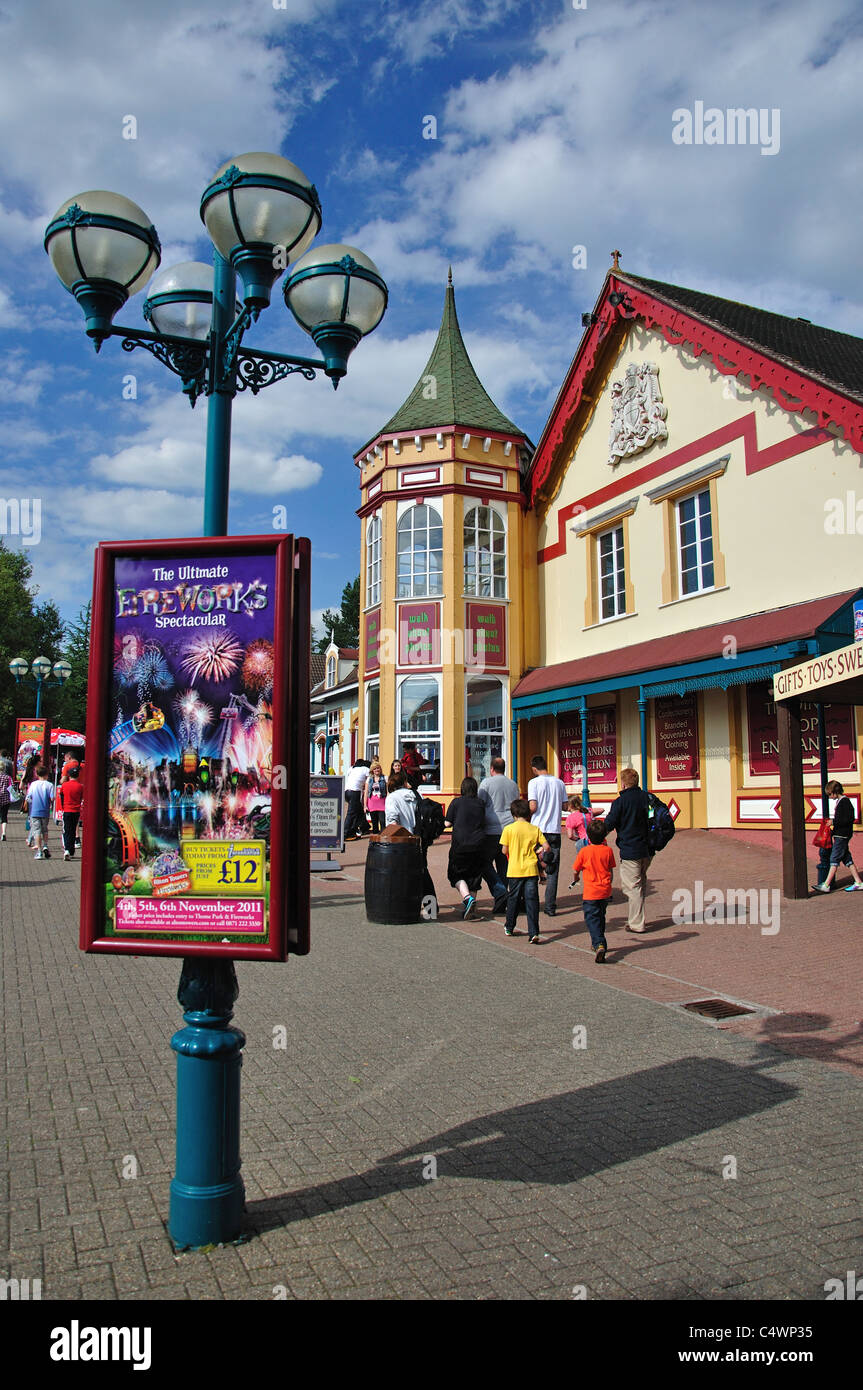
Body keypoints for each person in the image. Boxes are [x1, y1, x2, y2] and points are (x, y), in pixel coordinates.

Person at [445, 777, 507, 920]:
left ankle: (468, 899)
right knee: (474, 876)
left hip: (460, 845)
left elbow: (447, 823)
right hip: (479, 844)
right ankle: (471, 910)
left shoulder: (456, 802)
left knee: (455, 874)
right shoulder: (480, 804)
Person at [602, 767, 652, 933]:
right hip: (647, 848)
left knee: (631, 887)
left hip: (630, 848)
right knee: (640, 882)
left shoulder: (620, 802)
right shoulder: (647, 798)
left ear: (623, 783)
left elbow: (609, 823)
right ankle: (638, 917)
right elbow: (653, 818)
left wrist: (596, 834)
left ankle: (637, 923)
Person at [500, 798, 548, 943]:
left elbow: (504, 850)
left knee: (513, 899)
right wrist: (539, 850)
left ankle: (510, 926)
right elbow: (546, 847)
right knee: (532, 900)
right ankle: (533, 932)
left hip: (514, 869)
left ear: (513, 814)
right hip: (531, 869)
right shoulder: (534, 829)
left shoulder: (509, 829)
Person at [527, 754, 568, 916]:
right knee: (553, 868)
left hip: (538, 829)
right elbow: (565, 806)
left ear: (534, 768)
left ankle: (532, 900)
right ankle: (550, 906)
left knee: (531, 863)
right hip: (554, 829)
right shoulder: (559, 783)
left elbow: (533, 806)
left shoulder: (534, 783)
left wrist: (524, 813)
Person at [572, 819, 616, 963]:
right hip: (604, 890)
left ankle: (599, 943)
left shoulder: (585, 851)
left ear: (589, 837)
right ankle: (597, 941)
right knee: (601, 916)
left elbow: (575, 869)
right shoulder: (608, 850)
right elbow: (610, 868)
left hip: (591, 891)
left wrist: (576, 878)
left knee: (591, 918)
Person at [478, 757, 520, 885]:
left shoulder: (486, 783)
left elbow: (480, 803)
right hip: (509, 828)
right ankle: (503, 892)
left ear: (491, 769)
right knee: (504, 864)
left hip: (491, 829)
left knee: (484, 863)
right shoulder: (513, 784)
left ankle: (499, 889)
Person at [814, 780, 863, 892]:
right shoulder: (842, 802)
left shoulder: (844, 802)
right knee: (847, 859)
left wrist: (833, 821)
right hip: (841, 835)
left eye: (830, 794)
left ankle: (826, 885)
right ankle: (858, 882)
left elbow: (847, 819)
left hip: (842, 836)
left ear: (834, 792)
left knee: (834, 858)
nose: (830, 797)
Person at [25, 763, 54, 860]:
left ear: (37, 774)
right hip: (45, 811)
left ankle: (39, 851)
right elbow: (52, 798)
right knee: (45, 829)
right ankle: (45, 845)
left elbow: (28, 797)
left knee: (37, 831)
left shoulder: (33, 784)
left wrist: (32, 803)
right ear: (47, 774)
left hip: (35, 811)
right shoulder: (50, 785)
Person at [566, 794, 594, 887]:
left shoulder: (571, 818)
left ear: (570, 806)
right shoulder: (587, 812)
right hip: (595, 839)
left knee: (586, 866)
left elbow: (570, 835)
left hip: (584, 842)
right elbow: (602, 809)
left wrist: (576, 839)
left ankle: (591, 887)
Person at [57, 766, 84, 860]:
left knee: (66, 830)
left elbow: (61, 796)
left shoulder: (64, 785)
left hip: (67, 810)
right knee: (73, 830)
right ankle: (71, 850)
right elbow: (81, 798)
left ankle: (67, 850)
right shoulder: (80, 786)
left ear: (69, 775)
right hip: (76, 810)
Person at [344, 758, 371, 840]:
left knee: (359, 811)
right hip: (355, 792)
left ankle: (364, 827)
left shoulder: (352, 769)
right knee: (351, 813)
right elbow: (369, 780)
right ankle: (346, 833)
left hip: (346, 791)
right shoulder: (366, 769)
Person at [364, 759, 387, 834]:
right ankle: (375, 841)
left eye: (378, 768)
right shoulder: (369, 779)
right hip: (372, 804)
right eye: (375, 769)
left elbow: (388, 791)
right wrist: (365, 805)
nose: (377, 770)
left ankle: (383, 840)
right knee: (374, 823)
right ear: (372, 770)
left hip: (382, 803)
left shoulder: (385, 778)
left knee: (383, 822)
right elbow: (366, 792)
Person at [0, 753, 12, 843]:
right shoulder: (8, 777)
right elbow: (11, 788)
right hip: (5, 799)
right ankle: (3, 833)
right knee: (4, 817)